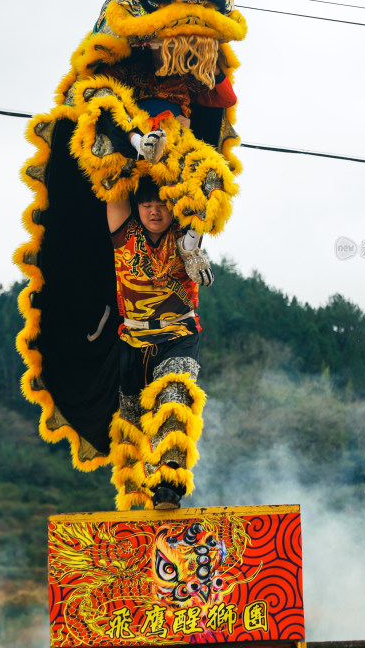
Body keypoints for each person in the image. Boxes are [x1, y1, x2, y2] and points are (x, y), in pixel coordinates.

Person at [106, 175, 213, 510]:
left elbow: (206, 191)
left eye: (161, 204)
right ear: (137, 208)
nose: (154, 211)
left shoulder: (187, 235)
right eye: (146, 204)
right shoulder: (124, 232)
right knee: (133, 421)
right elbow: (111, 183)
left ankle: (169, 481)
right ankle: (138, 497)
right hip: (132, 338)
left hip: (177, 334)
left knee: (173, 399)